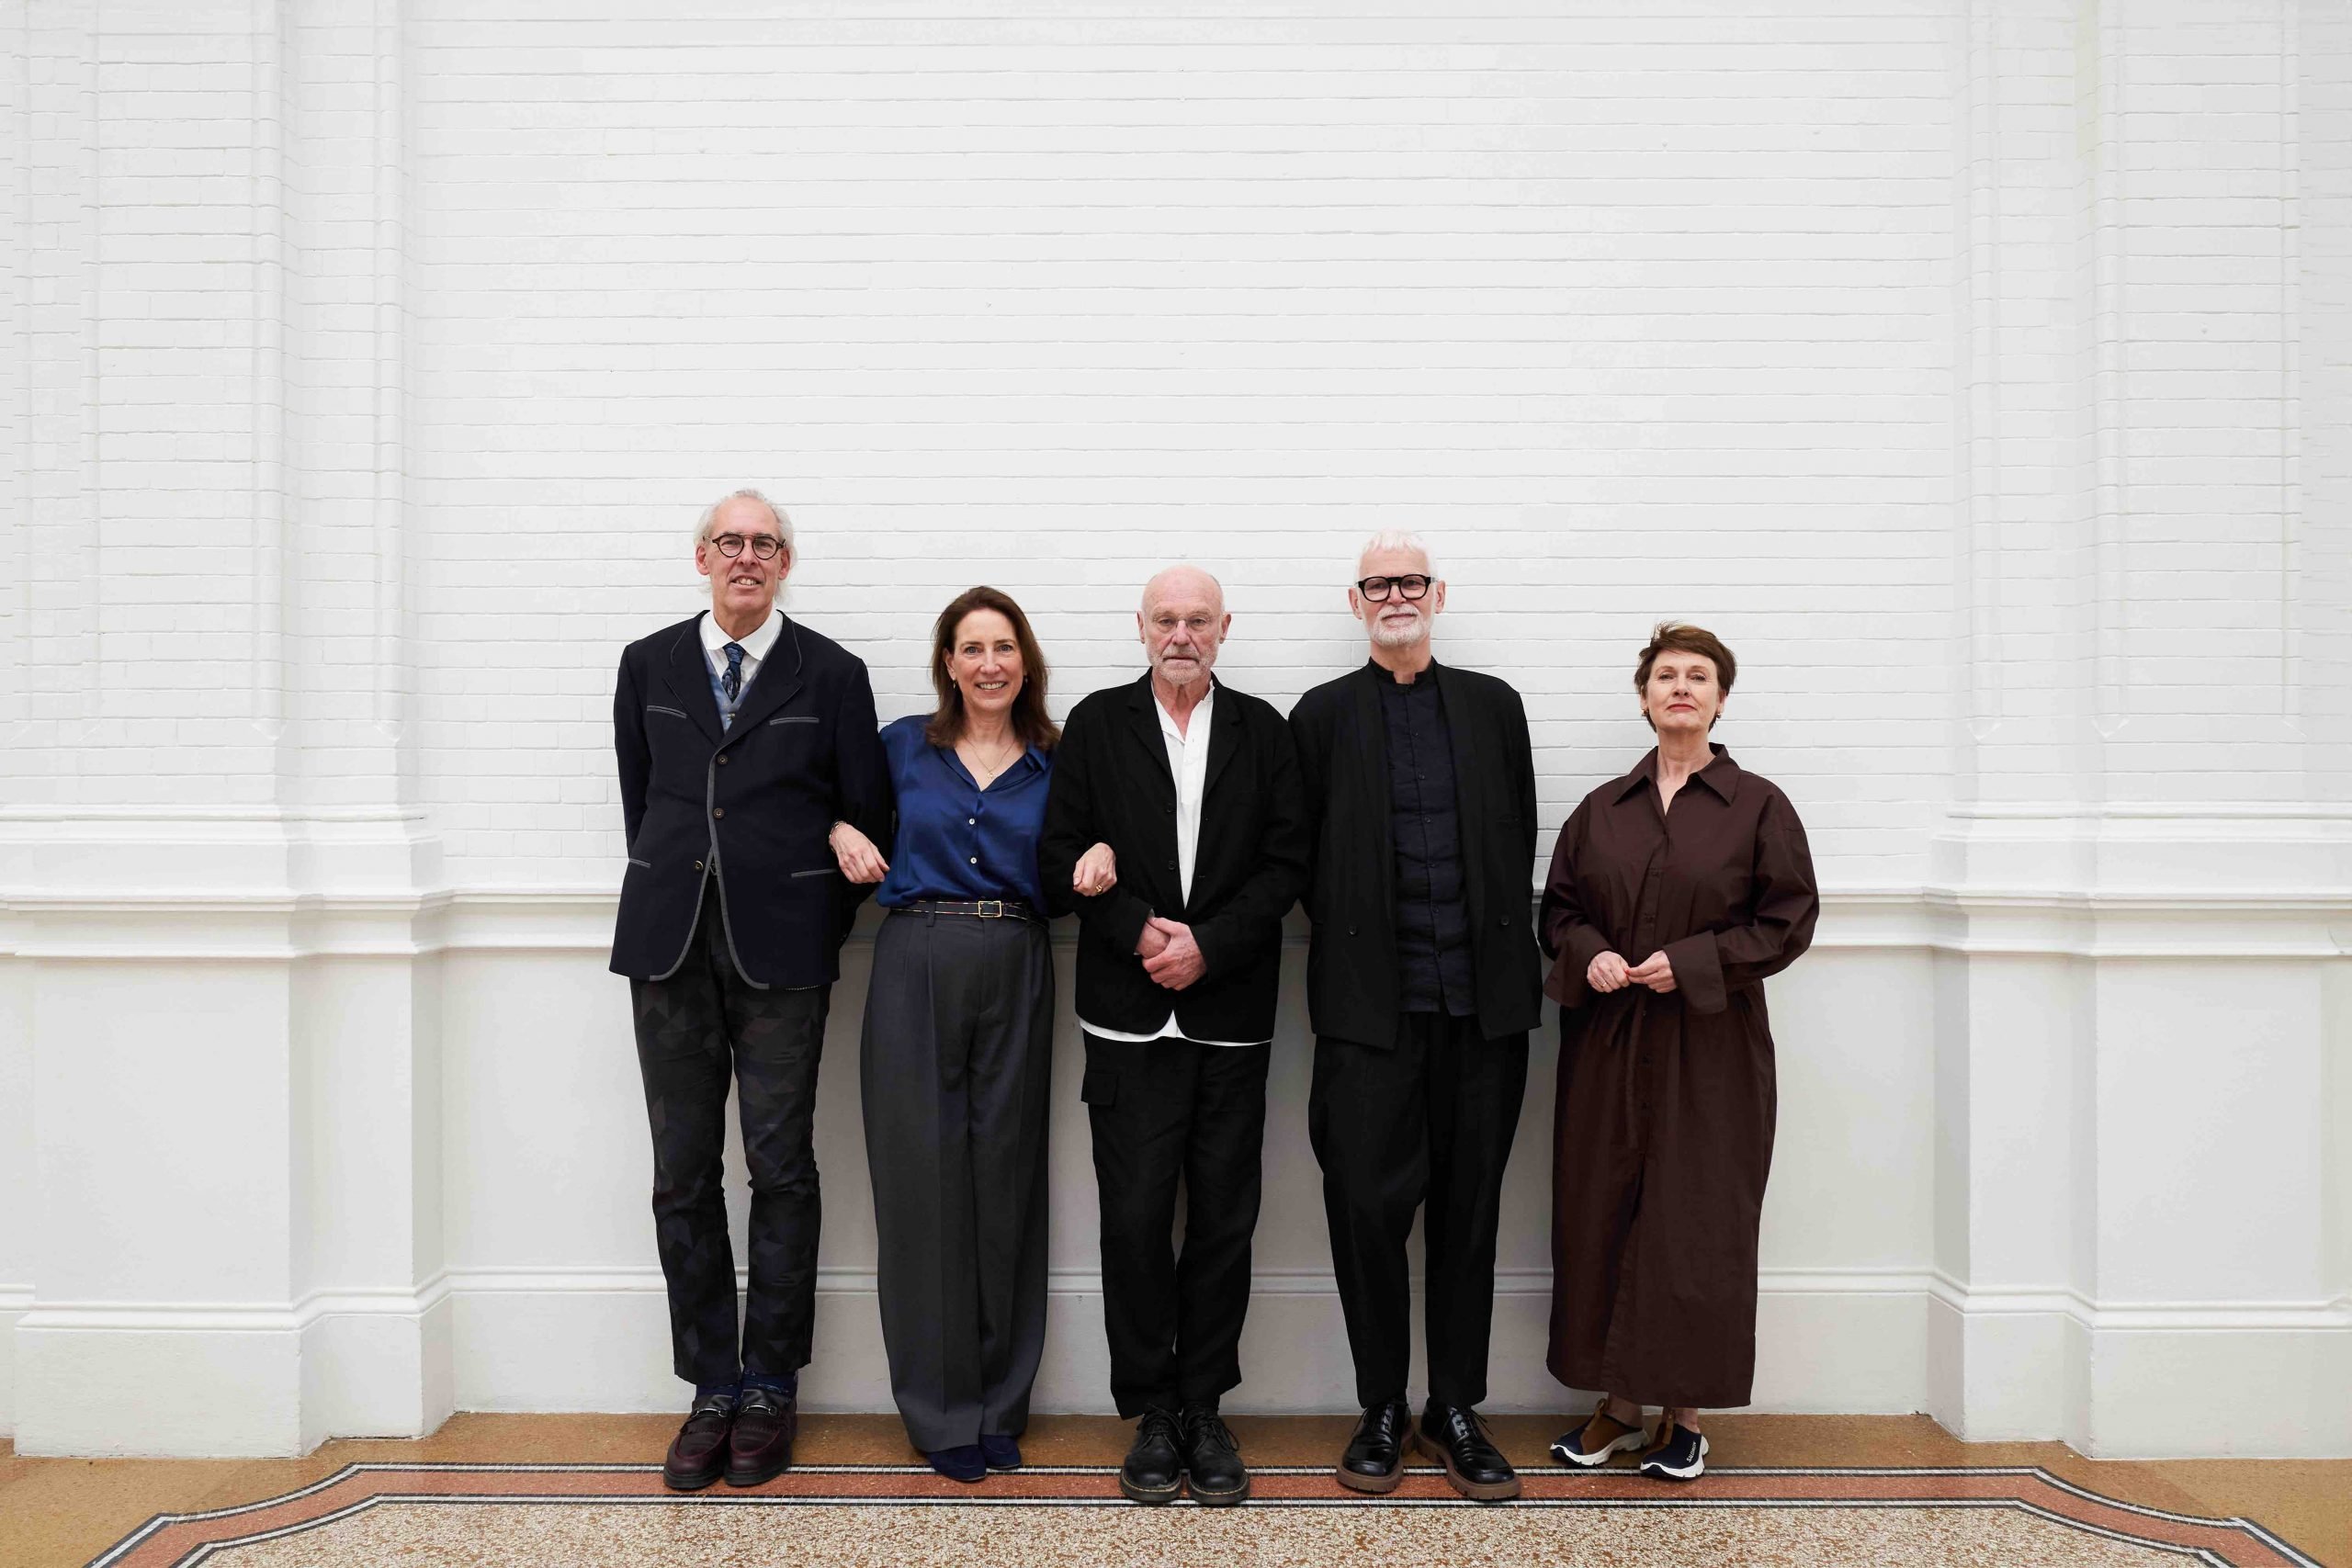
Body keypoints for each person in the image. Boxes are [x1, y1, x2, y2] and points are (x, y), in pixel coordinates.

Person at [609, 489, 891, 1492]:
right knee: (681, 1174)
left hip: (784, 962)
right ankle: (712, 1387)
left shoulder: (834, 673)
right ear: (700, 558)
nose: (746, 556)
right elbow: (643, 801)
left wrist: (811, 926)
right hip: (668, 950)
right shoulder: (648, 665)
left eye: (765, 544)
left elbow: (864, 821)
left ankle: (771, 1384)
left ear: (786, 563)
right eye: (729, 542)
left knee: (782, 1171)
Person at [1040, 565, 1308, 1506]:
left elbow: (1287, 864)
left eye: (1198, 619)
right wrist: (1140, 928)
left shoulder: (1264, 732)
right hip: (1125, 1016)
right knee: (1135, 1218)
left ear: (1225, 627)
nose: (1181, 633)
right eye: (1166, 618)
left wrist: (1210, 946)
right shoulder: (1097, 724)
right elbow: (1058, 851)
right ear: (1141, 626)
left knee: (1225, 1222)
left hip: (1230, 1018)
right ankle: (1150, 1408)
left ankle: (1204, 1403)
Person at [1287, 531, 1545, 1503]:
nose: (1395, 596)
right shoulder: (1318, 717)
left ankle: (1457, 1408)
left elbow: (1516, 833)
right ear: (1356, 605)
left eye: (1409, 581)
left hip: (1483, 1011)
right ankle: (1382, 1406)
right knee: (1364, 1212)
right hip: (1367, 1017)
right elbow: (1303, 857)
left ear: (1437, 594)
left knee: (1471, 1213)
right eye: (1376, 585)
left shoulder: (1493, 707)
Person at [1541, 623, 1818, 1483]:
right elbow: (1558, 909)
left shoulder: (1759, 805)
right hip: (1610, 1041)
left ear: (1721, 698)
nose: (1682, 688)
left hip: (1712, 1046)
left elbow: (1789, 917)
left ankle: (1684, 1416)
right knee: (1605, 1208)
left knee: (1696, 1220)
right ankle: (1619, 1408)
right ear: (1645, 696)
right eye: (1667, 675)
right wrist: (1590, 949)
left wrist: (1693, 961)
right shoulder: (1601, 810)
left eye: (1700, 676)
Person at [827, 586, 1069, 1484]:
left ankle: (1001, 1403)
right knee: (920, 1183)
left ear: (1025, 660)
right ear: (947, 663)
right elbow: (821, 797)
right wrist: (841, 825)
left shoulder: (1055, 760)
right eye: (971, 648)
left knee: (1005, 1178)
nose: (989, 664)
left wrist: (1101, 856)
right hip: (914, 956)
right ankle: (938, 1412)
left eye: (1004, 646)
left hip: (1017, 952)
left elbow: (1089, 845)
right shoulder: (899, 747)